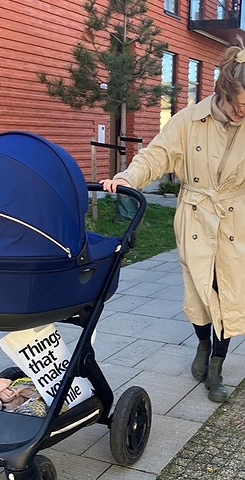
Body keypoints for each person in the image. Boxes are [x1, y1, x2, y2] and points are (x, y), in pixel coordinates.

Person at [101, 39, 245, 403]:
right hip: (196, 215)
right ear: (223, 92)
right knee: (198, 292)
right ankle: (202, 342)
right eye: (240, 104)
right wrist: (128, 178)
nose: (243, 112)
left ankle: (217, 365)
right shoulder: (189, 121)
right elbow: (156, 156)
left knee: (227, 292)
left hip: (236, 218)